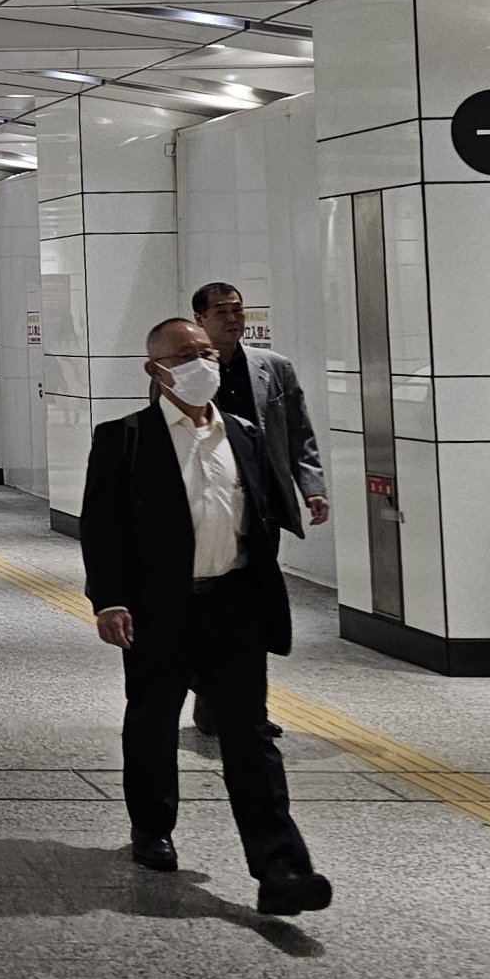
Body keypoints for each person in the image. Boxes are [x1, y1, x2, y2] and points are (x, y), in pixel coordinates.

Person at [80, 316, 333, 918]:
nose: (204, 363)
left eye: (208, 353)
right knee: (153, 717)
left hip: (233, 604)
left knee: (249, 734)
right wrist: (109, 599)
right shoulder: (125, 437)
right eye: (186, 354)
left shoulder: (243, 433)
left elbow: (258, 517)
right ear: (156, 369)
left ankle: (281, 868)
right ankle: (152, 827)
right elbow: (101, 526)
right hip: (157, 607)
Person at [189, 282, 330, 739]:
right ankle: (209, 694)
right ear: (200, 320)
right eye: (221, 311)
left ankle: (250, 708)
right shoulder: (187, 372)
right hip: (209, 506)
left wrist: (311, 487)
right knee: (209, 606)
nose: (233, 319)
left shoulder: (274, 368)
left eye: (238, 310)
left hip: (262, 506)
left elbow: (299, 432)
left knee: (252, 609)